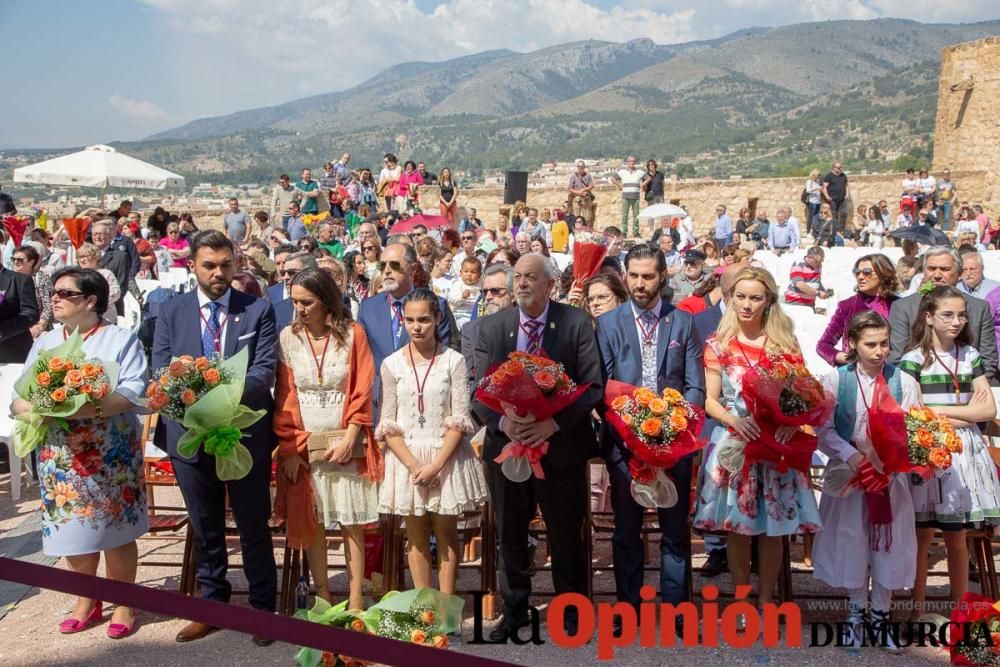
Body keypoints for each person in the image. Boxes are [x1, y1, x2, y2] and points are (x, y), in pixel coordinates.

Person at [152, 231, 278, 645]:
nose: (219, 273)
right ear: (193, 265)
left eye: (226, 264)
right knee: (205, 525)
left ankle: (263, 609)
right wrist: (192, 405)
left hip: (242, 434)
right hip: (188, 435)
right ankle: (212, 604)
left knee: (252, 523)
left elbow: (263, 371)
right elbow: (161, 371)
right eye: (210, 265)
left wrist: (222, 397)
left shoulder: (257, 310)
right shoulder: (171, 312)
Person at [11, 267, 148, 637]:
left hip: (110, 452)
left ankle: (124, 602)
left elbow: (135, 390)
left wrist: (90, 407)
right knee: (71, 528)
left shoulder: (119, 339)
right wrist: (36, 406)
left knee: (116, 529)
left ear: (91, 300)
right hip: (60, 455)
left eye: (65, 292)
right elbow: (20, 397)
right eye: (53, 292)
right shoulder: (45, 343)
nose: (54, 297)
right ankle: (86, 599)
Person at [472, 253, 603, 640]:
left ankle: (571, 612)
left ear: (551, 284)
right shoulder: (491, 327)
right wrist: (505, 422)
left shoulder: (576, 322)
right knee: (510, 534)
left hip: (560, 448)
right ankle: (514, 612)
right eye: (517, 277)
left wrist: (552, 423)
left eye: (531, 277)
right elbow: (478, 391)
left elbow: (592, 385)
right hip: (508, 447)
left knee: (565, 533)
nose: (522, 283)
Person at [692, 266, 822, 615]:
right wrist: (733, 419)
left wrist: (792, 426)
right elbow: (710, 400)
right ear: (731, 298)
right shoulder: (717, 345)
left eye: (755, 297)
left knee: (774, 527)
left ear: (769, 301)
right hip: (737, 441)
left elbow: (804, 393)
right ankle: (741, 598)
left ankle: (766, 599)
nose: (747, 304)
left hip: (775, 445)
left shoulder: (785, 344)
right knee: (738, 526)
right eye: (741, 296)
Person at [595, 243, 704, 632]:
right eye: (634, 276)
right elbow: (602, 385)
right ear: (625, 275)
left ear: (662, 277)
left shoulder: (683, 322)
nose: (640, 284)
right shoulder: (608, 324)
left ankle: (675, 610)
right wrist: (629, 428)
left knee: (675, 530)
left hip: (674, 442)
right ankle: (628, 608)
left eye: (648, 276)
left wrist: (676, 427)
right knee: (627, 529)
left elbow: (695, 386)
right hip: (625, 444)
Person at [274, 269, 381, 611]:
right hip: (306, 439)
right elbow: (286, 397)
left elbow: (363, 386)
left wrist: (352, 434)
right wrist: (290, 448)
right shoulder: (287, 338)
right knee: (314, 520)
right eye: (295, 302)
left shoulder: (353, 334)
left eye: (307, 302)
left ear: (326, 300)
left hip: (344, 436)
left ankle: (354, 598)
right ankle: (323, 594)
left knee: (351, 521)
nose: (300, 309)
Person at [813, 312, 919, 652]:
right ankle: (857, 612)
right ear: (853, 344)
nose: (878, 351)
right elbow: (823, 430)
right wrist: (854, 457)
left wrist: (889, 461)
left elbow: (916, 429)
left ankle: (881, 615)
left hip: (890, 475)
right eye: (870, 344)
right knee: (851, 540)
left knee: (887, 542)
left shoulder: (904, 382)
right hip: (851, 473)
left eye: (884, 344)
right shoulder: (835, 380)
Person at [377, 289, 488, 594]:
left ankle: (446, 608)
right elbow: (388, 422)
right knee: (414, 535)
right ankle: (423, 606)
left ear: (438, 318)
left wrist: (437, 464)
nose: (417, 327)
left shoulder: (453, 361)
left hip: (446, 456)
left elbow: (461, 417)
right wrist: (415, 466)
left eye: (424, 319)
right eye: (410, 320)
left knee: (446, 533)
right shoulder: (391, 364)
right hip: (406, 458)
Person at [900, 285, 1000, 613]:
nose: (956, 321)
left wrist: (939, 412)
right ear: (929, 317)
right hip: (929, 449)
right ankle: (916, 609)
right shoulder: (912, 360)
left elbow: (986, 412)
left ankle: (960, 613)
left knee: (957, 537)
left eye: (961, 315)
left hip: (964, 452)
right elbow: (909, 410)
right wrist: (961, 413)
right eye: (947, 315)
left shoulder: (970, 355)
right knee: (923, 537)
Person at [887, 246, 999, 383]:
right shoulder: (903, 308)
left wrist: (969, 391)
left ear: (959, 273)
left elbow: (988, 359)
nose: (937, 275)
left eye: (945, 269)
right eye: (931, 269)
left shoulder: (979, 307)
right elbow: (897, 358)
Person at [358, 243, 452, 394]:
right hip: (380, 398)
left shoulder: (436, 304)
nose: (387, 270)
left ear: (413, 269)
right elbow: (361, 359)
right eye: (382, 265)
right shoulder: (368, 308)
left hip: (422, 394)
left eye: (394, 264)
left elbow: (444, 353)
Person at [817, 254, 899, 367]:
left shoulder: (898, 305)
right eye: (857, 272)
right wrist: (849, 358)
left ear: (883, 273)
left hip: (890, 373)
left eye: (866, 272)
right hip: (854, 374)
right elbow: (823, 345)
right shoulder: (847, 306)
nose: (860, 277)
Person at [460, 263, 515, 384]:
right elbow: (469, 377)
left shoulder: (526, 326)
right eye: (485, 292)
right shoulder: (471, 330)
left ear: (513, 294)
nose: (489, 297)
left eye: (495, 291)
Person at [12, 245, 52, 338]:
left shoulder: (41, 278)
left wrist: (40, 325)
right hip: (14, 330)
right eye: (13, 259)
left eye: (20, 260)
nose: (15, 262)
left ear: (31, 262)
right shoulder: (10, 279)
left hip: (38, 330)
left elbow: (48, 305)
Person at [76, 243, 122, 323]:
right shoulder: (75, 276)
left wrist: (94, 304)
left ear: (95, 257)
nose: (83, 260)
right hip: (82, 319)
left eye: (86, 256)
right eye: (80, 257)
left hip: (105, 317)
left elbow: (116, 292)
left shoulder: (106, 274)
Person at [447, 256, 481, 332]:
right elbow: (452, 299)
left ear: (479, 275)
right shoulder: (457, 284)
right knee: (464, 326)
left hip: (477, 315)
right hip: (461, 314)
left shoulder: (481, 285)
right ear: (460, 272)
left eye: (473, 272)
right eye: (466, 271)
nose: (469, 274)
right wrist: (462, 297)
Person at [615, 156, 643, 237]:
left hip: (635, 196)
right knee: (624, 216)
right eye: (630, 161)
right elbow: (613, 178)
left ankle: (635, 232)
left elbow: (648, 178)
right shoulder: (622, 172)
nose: (632, 162)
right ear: (627, 162)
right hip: (625, 196)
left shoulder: (639, 172)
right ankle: (624, 232)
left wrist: (643, 185)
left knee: (636, 216)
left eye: (633, 161)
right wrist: (619, 185)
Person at [821, 161, 850, 233]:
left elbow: (846, 185)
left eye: (841, 167)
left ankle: (841, 230)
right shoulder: (829, 176)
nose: (840, 169)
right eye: (838, 167)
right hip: (833, 199)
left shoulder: (843, 175)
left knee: (843, 214)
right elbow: (824, 187)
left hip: (842, 199)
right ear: (834, 168)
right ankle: (834, 230)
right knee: (833, 215)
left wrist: (847, 194)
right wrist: (827, 196)